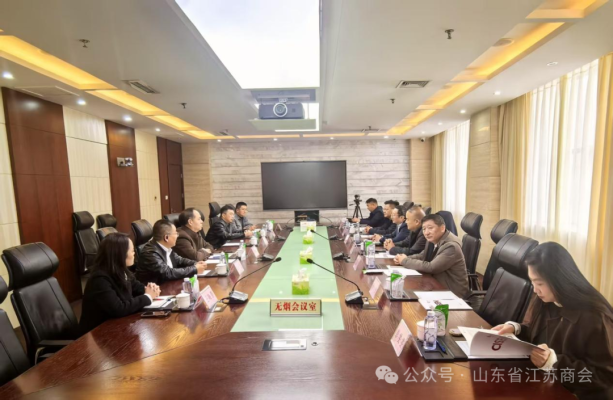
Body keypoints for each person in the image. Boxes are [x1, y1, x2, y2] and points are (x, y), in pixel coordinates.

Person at [491, 243, 613, 399]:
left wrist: (554, 362)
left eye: (539, 283)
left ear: (560, 280)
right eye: (532, 282)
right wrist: (517, 329)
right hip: (546, 384)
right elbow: (540, 336)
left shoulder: (596, 317)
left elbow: (604, 377)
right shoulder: (547, 300)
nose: (535, 289)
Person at [80, 233, 160, 334]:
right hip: (98, 334)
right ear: (120, 254)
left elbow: (136, 286)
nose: (134, 253)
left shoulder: (121, 270)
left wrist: (150, 288)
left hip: (117, 327)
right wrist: (147, 296)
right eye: (132, 250)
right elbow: (119, 309)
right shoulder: (99, 279)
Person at [393, 213, 469, 298]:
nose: (426, 232)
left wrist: (405, 261)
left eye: (430, 228)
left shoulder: (451, 246)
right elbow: (422, 255)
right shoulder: (434, 240)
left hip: (451, 292)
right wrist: (404, 258)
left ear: (442, 228)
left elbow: (431, 267)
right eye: (424, 229)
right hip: (436, 283)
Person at [136, 220, 207, 284]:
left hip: (169, 285)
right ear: (166, 237)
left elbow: (179, 260)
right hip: (157, 290)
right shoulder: (150, 253)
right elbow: (167, 273)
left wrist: (195, 263)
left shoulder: (165, 247)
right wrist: (194, 269)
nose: (177, 236)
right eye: (175, 233)